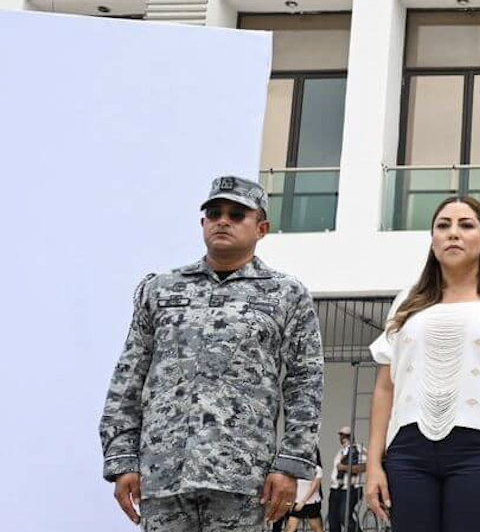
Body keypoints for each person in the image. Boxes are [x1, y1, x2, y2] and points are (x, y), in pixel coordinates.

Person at [100, 175, 324, 532]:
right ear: (202, 222)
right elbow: (129, 376)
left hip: (243, 479)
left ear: (262, 228)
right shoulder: (160, 290)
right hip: (164, 475)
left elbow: (305, 382)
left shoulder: (286, 294)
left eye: (237, 215)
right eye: (215, 213)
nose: (223, 221)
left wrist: (290, 463)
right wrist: (122, 458)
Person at [363, 196, 480, 532]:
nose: (453, 233)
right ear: (432, 239)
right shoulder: (407, 302)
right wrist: (374, 464)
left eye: (466, 225)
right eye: (443, 225)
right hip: (407, 451)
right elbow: (385, 386)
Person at [327, 427, 365, 532]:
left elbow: (363, 467)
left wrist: (344, 467)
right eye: (341, 436)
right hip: (336, 488)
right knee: (333, 520)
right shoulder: (340, 451)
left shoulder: (358, 449)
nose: (342, 438)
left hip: (351, 489)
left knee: (344, 517)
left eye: (345, 436)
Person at [286, 450, 325, 532]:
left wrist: (303, 502)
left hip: (311, 503)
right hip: (296, 501)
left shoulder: (317, 469)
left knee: (316, 528)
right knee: (290, 528)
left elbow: (314, 487)